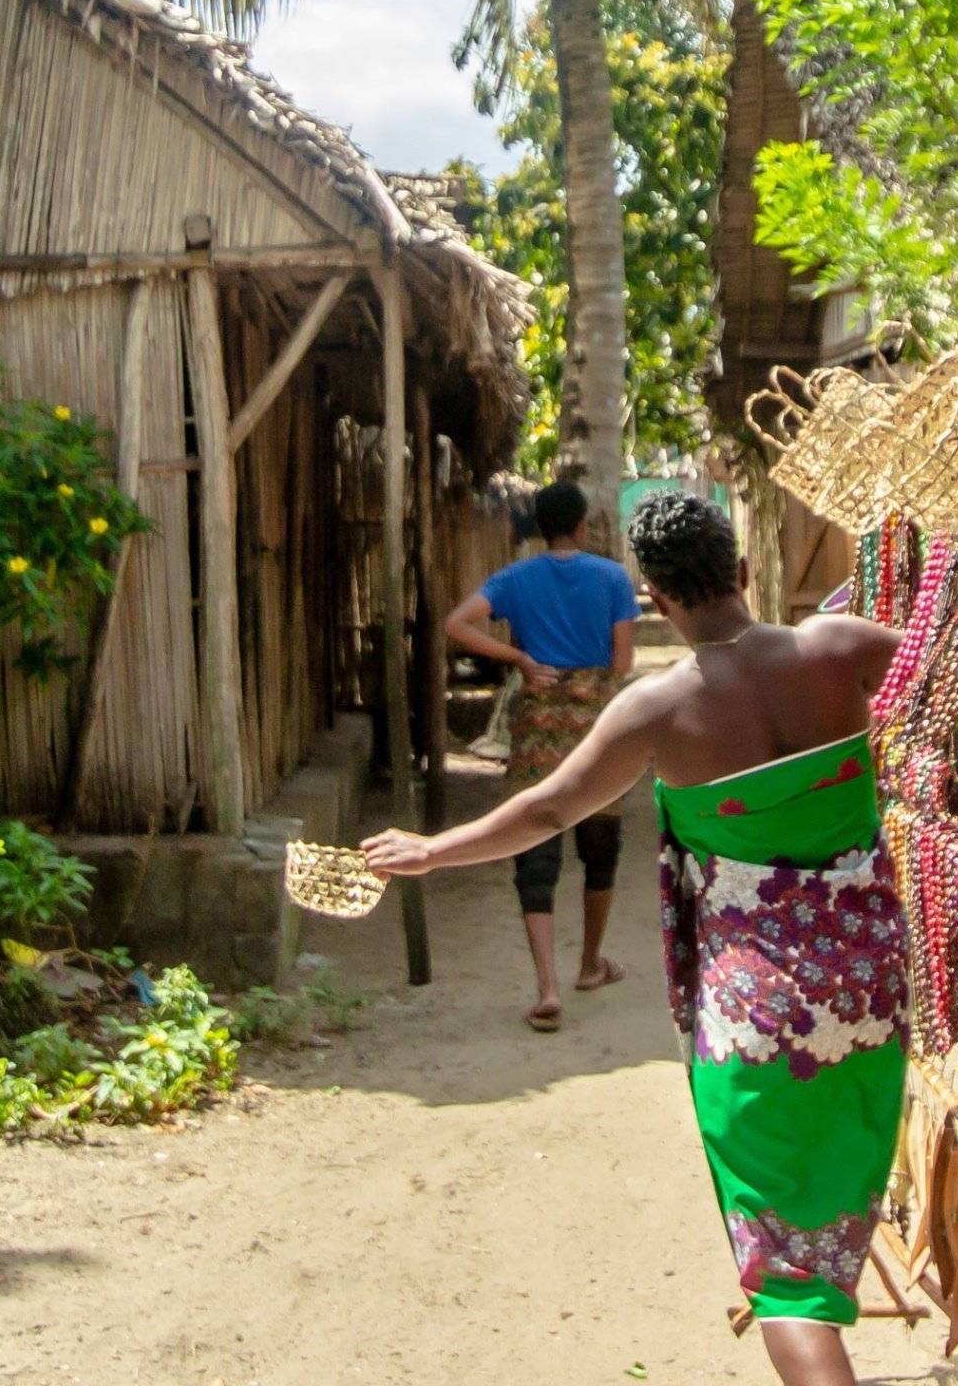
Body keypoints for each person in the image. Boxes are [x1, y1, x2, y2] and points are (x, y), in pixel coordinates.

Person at [376, 493, 906, 1386]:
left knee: (788, 1278)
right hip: (869, 990)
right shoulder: (845, 648)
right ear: (741, 571)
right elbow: (951, 662)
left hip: (756, 1012)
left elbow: (544, 809)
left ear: (656, 599)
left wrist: (431, 852)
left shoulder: (655, 710)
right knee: (836, 1193)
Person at [444, 479, 643, 1030]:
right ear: (582, 525)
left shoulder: (514, 578)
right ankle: (589, 964)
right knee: (600, 846)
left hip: (536, 729)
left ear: (539, 526)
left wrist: (520, 657)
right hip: (596, 731)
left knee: (535, 848)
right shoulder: (612, 578)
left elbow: (455, 623)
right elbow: (623, 664)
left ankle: (547, 987)